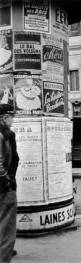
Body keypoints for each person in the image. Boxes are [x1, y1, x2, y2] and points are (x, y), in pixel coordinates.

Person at [0, 104, 19, 263]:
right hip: (3, 190)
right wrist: (7, 182)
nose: (13, 119)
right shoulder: (3, 135)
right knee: (6, 229)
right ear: (4, 118)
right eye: (11, 116)